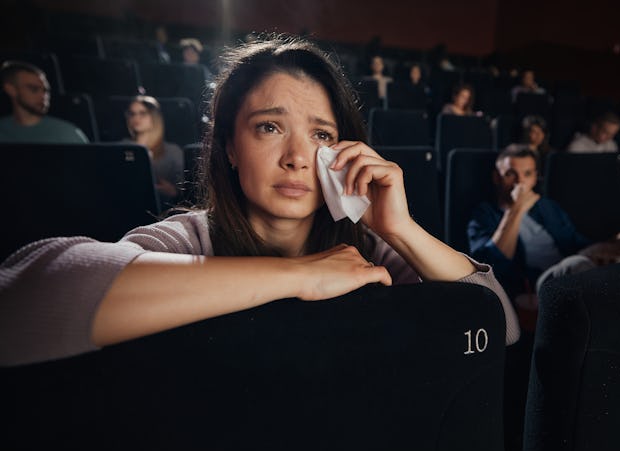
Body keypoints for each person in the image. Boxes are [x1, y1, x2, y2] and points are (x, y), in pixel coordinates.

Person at [0, 36, 519, 367]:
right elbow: (19, 307)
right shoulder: (187, 239)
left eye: (320, 135)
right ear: (229, 145)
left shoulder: (368, 249)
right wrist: (298, 276)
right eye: (269, 127)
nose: (297, 157)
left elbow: (503, 327)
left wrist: (401, 229)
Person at [468, 148, 620, 302]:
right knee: (579, 265)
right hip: (535, 285)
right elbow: (490, 266)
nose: (520, 182)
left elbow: (578, 243)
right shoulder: (483, 214)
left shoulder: (547, 206)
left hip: (573, 268)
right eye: (510, 174)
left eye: (527, 174)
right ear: (496, 178)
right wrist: (516, 209)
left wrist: (618, 242)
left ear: (535, 178)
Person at [0, 61, 88, 143]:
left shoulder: (67, 133)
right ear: (11, 89)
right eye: (34, 89)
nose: (43, 96)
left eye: (46, 91)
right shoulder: (3, 130)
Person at [124, 95, 184, 207]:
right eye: (132, 113)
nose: (136, 118)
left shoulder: (172, 151)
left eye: (142, 113)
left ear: (154, 116)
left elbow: (184, 188)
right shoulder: (123, 147)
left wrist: (174, 191)